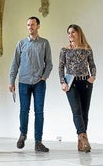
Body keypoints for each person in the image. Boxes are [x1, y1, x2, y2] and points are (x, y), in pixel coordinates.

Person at [9, 16, 53, 152]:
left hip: (39, 83)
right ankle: (23, 134)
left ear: (38, 26)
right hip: (23, 82)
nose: (30, 27)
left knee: (39, 112)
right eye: (28, 25)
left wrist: (44, 77)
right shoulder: (21, 43)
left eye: (33, 25)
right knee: (24, 110)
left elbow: (49, 64)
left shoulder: (44, 43)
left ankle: (38, 142)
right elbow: (15, 64)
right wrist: (11, 81)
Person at [59, 24, 96, 153]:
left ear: (79, 33)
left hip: (85, 83)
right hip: (71, 84)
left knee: (85, 112)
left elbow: (92, 64)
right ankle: (84, 137)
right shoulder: (65, 50)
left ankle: (81, 142)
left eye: (73, 32)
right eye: (68, 33)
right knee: (77, 111)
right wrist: (63, 82)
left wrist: (93, 76)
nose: (70, 35)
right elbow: (61, 67)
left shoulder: (87, 48)